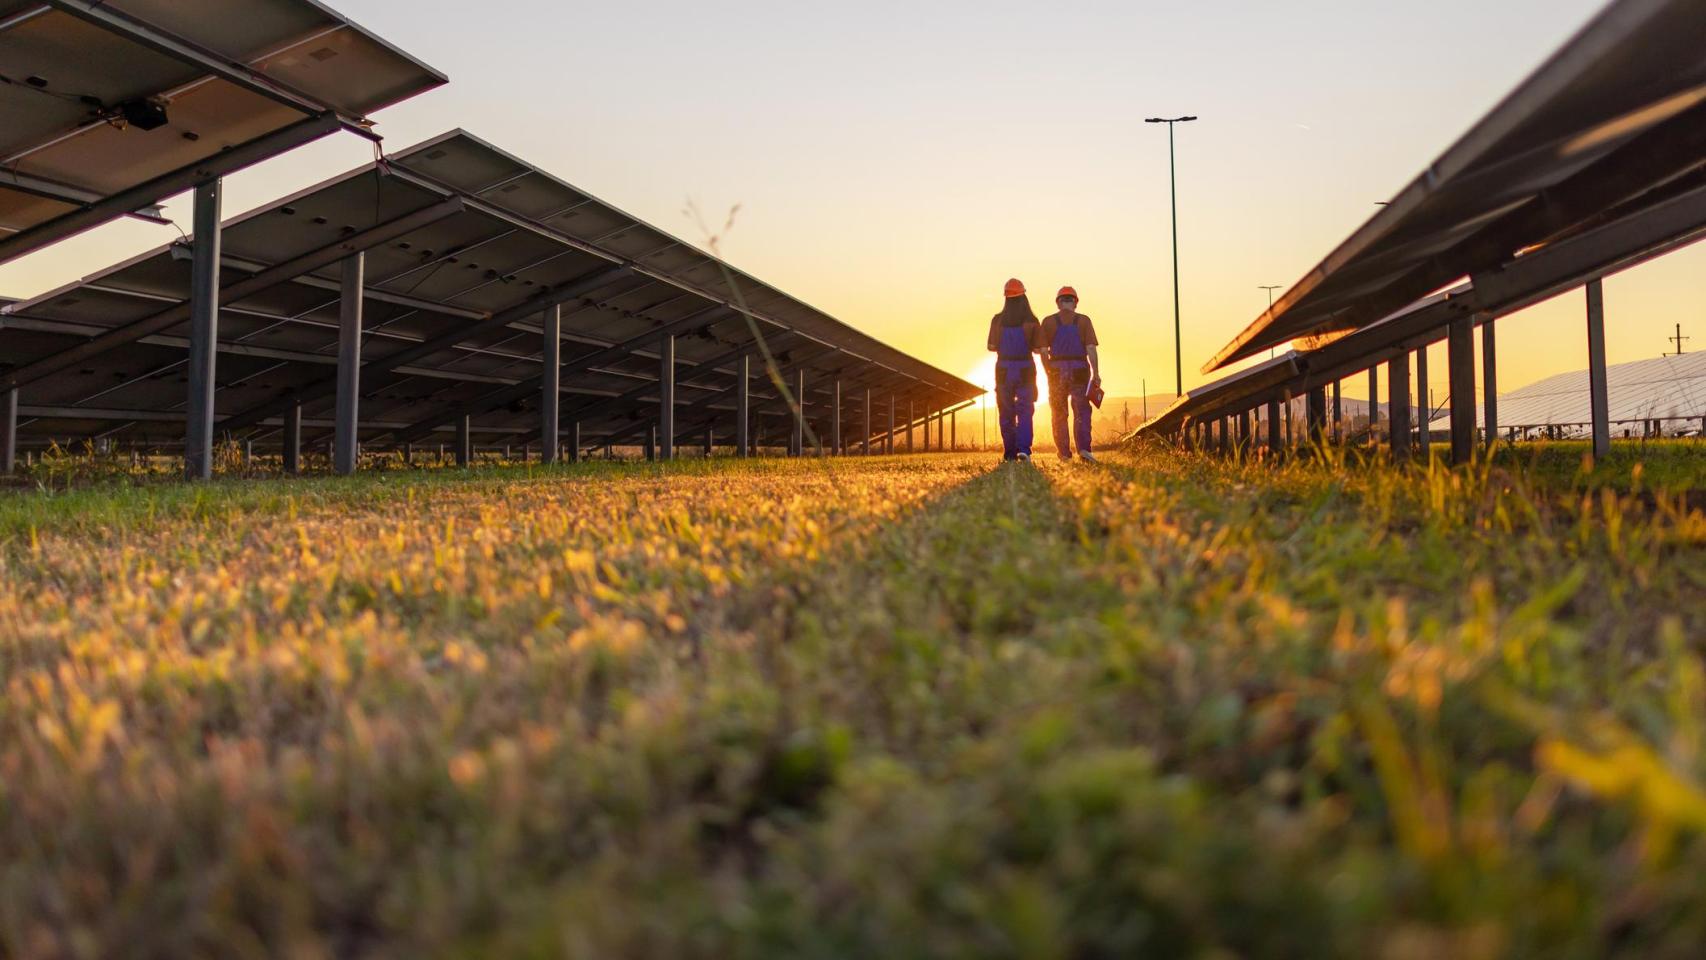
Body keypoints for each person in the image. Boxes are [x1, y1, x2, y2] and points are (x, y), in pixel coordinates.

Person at [1040, 286, 1101, 462]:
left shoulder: (1048, 322)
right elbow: (1090, 348)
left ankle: (1064, 454)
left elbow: (1044, 351)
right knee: (1081, 410)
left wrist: (1048, 372)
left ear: (1058, 303)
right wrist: (1096, 373)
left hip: (1057, 370)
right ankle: (1084, 449)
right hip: (1079, 369)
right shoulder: (1084, 321)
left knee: (1059, 412)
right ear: (1075, 302)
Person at [987, 278, 1040, 461]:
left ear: (1006, 298)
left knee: (1006, 410)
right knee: (1025, 409)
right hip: (1025, 367)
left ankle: (1010, 452)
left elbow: (991, 346)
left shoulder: (997, 320)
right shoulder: (1032, 321)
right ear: (1024, 297)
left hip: (1003, 369)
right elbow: (1037, 348)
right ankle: (1024, 449)